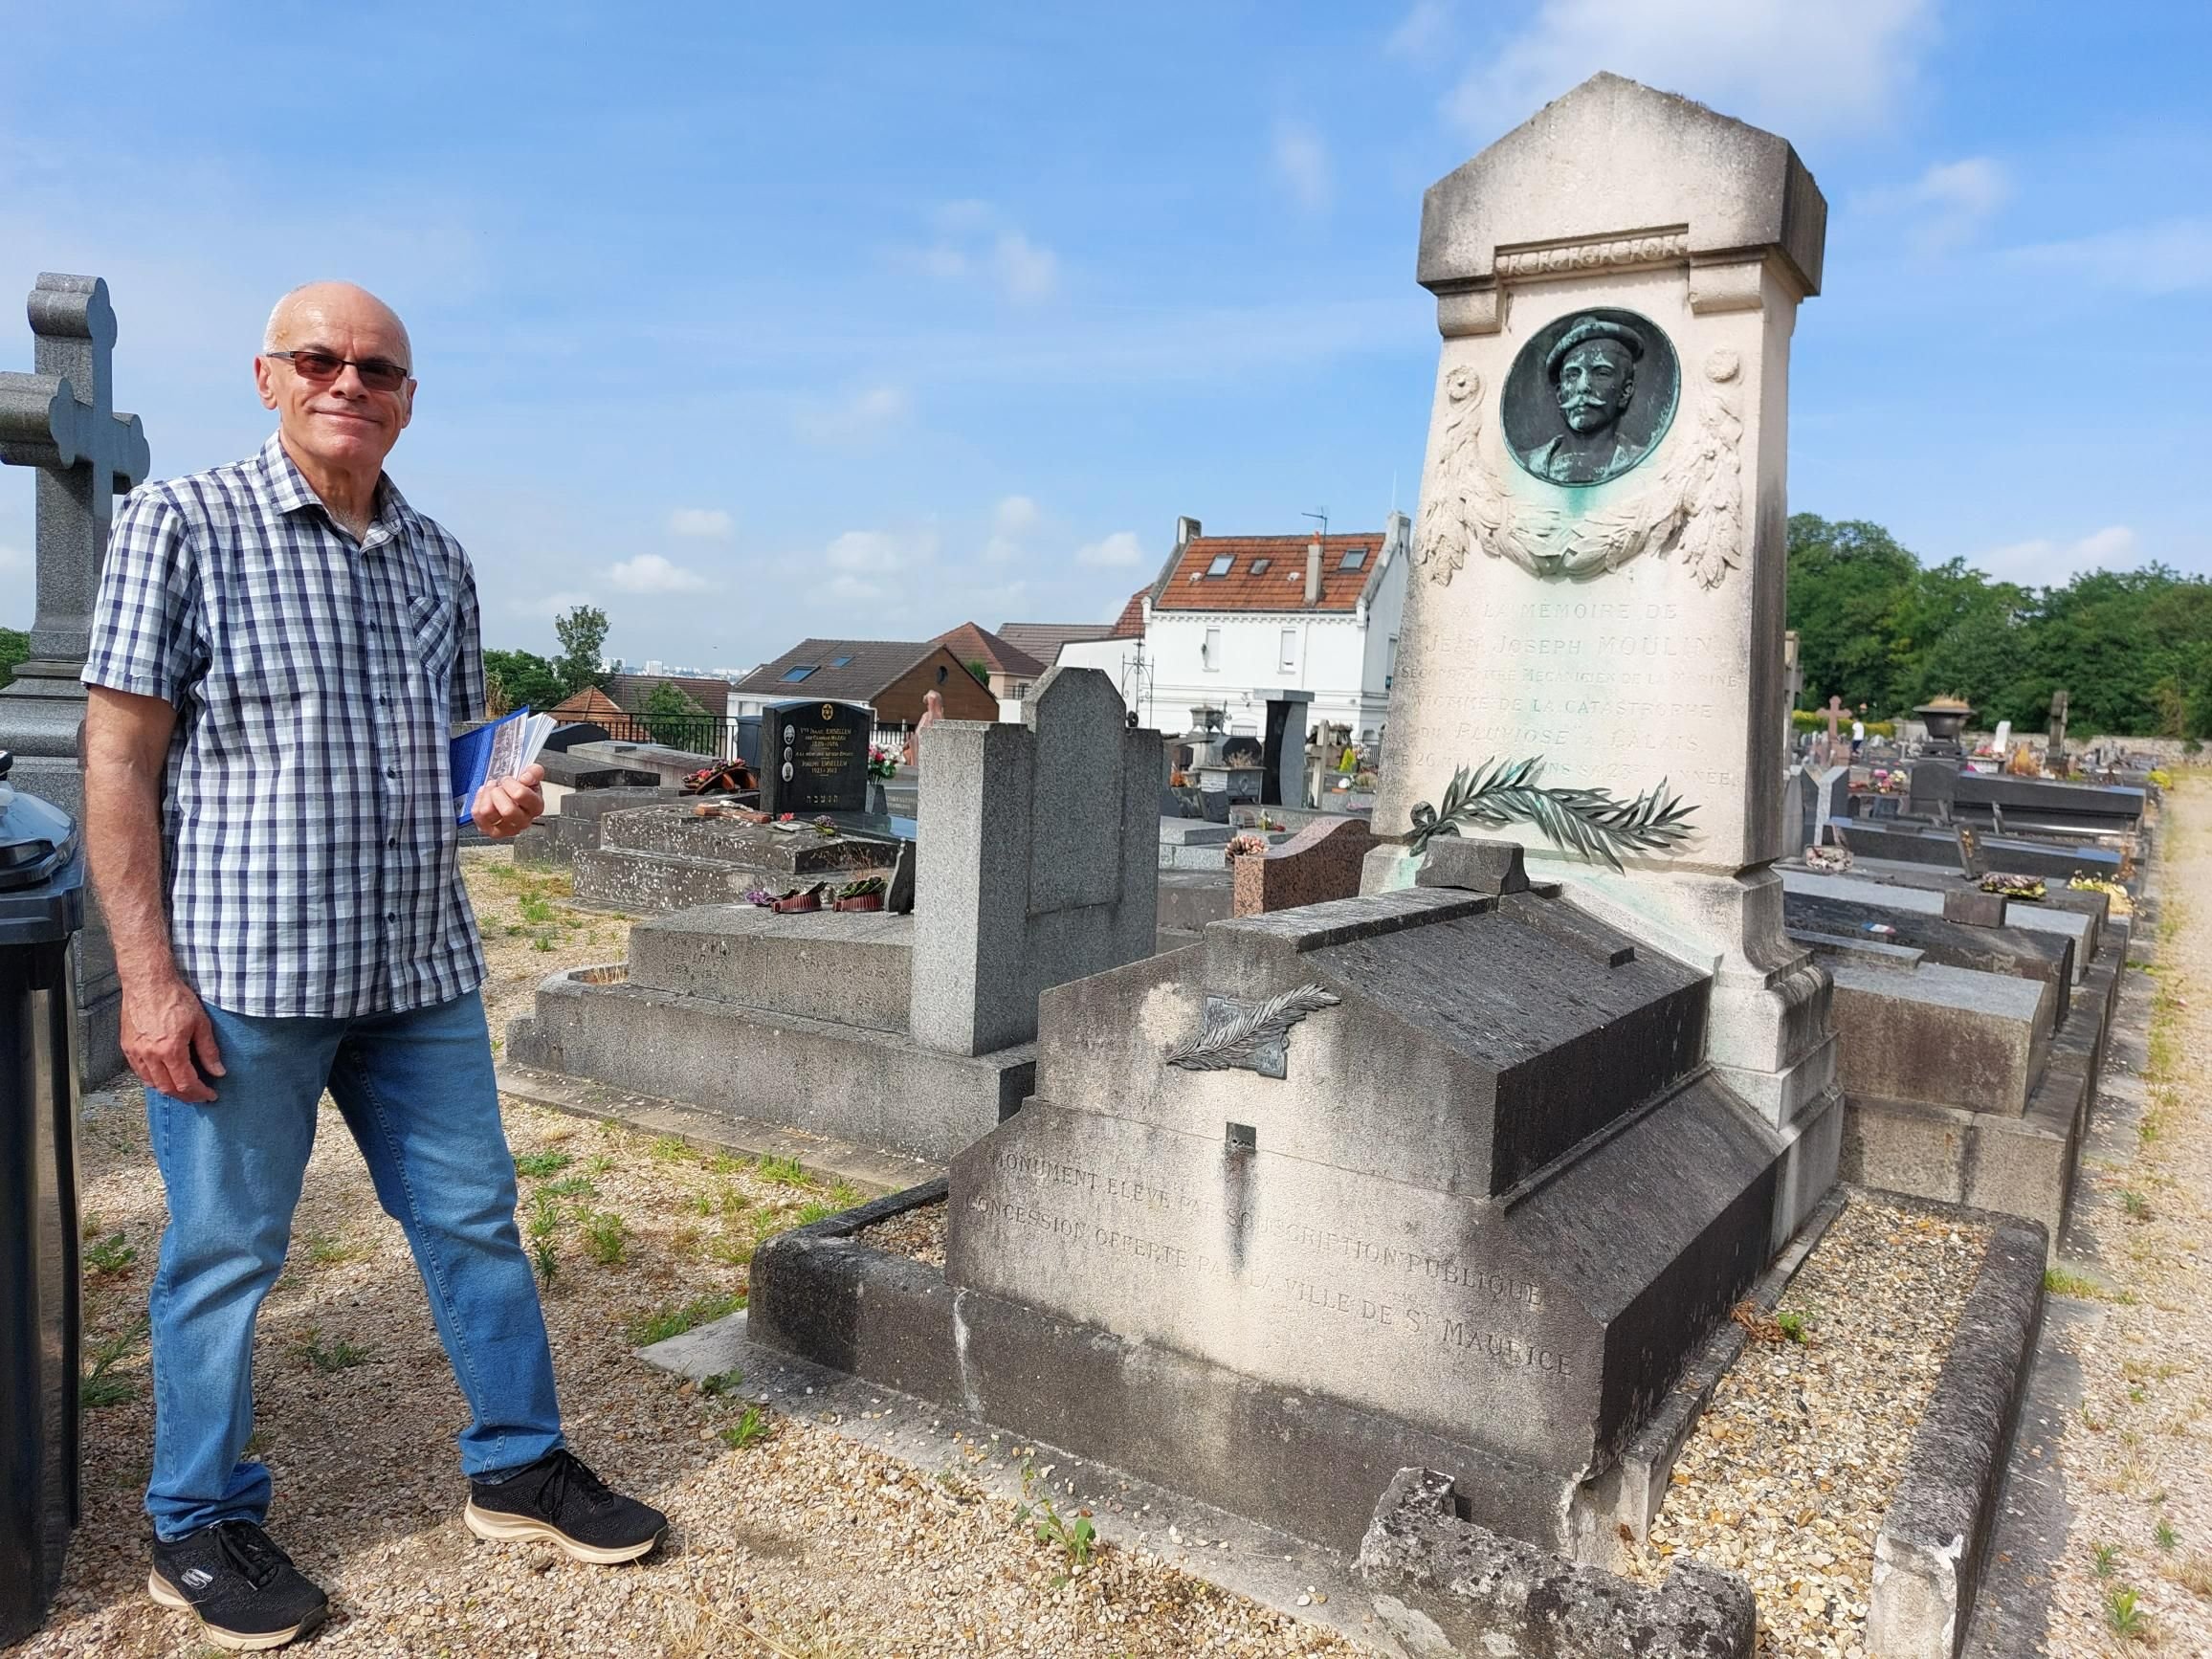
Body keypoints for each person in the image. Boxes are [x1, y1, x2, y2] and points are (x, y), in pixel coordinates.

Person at [81, 282, 666, 1653]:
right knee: (226, 1254)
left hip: (416, 969)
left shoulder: (437, 558)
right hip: (244, 970)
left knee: (473, 1219)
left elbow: (466, 766)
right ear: (269, 375)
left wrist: (497, 803)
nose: (352, 381)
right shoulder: (182, 522)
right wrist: (145, 978)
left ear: (409, 398)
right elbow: (120, 757)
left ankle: (519, 1461)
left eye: (381, 369)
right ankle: (195, 1519)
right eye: (321, 359)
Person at [1516, 315, 1651, 486]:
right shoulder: (1529, 464)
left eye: (1601, 373)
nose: (1583, 386)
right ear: (1559, 394)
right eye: (1572, 375)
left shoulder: (1648, 466)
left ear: (1625, 392)